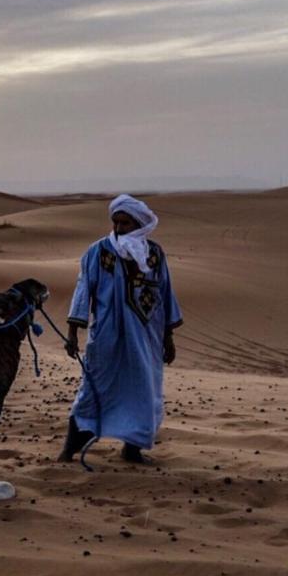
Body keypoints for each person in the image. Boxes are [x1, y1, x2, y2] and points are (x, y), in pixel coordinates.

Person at [59, 194, 182, 464]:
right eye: (115, 223)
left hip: (146, 337)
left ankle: (132, 450)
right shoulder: (98, 251)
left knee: (143, 391)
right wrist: (72, 333)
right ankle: (69, 450)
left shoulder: (155, 254)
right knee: (93, 389)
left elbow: (165, 292)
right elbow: (83, 291)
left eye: (124, 223)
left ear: (138, 223)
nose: (118, 229)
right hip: (107, 335)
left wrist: (168, 338)